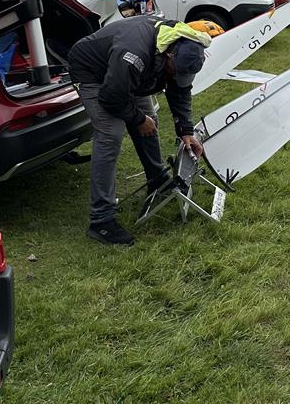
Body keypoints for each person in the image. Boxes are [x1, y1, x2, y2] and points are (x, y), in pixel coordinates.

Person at [68, 17, 210, 245]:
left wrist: (185, 130)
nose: (176, 77)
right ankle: (101, 221)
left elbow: (180, 90)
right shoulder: (134, 53)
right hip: (93, 72)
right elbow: (111, 95)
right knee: (111, 133)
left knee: (150, 120)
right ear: (169, 55)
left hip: (127, 76)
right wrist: (136, 118)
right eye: (175, 71)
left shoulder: (180, 44)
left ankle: (157, 180)